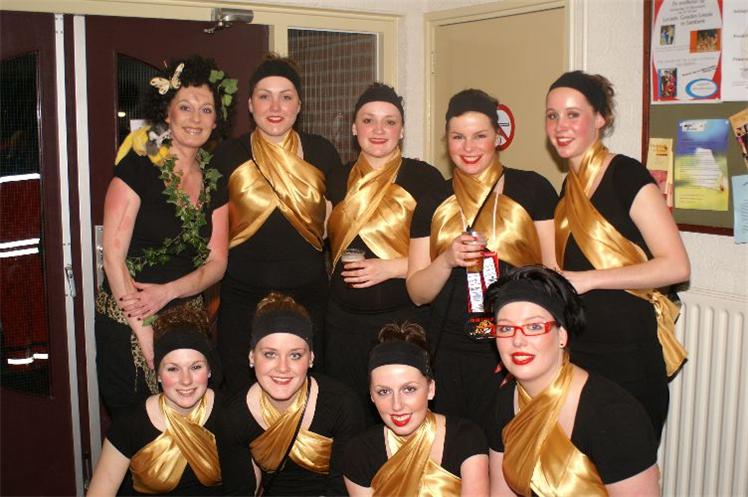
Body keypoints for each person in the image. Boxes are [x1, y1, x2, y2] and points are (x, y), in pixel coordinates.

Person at [546, 70, 690, 439]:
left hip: (629, 359)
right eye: (552, 115)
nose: (560, 126)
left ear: (600, 118)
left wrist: (590, 280)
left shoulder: (627, 175)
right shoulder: (568, 188)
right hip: (579, 355)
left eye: (573, 114)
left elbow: (676, 266)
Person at [406, 89, 558, 427]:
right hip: (448, 350)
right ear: (447, 140)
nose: (469, 148)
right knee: (454, 447)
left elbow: (553, 275)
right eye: (458, 137)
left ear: (498, 137)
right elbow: (417, 293)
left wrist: (528, 343)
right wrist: (446, 259)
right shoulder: (433, 200)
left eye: (480, 136)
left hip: (515, 345)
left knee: (509, 445)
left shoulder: (533, 189)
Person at [96, 55, 234, 417]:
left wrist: (169, 291)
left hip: (187, 319)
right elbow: (112, 258)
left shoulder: (216, 180)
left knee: (194, 424)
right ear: (167, 113)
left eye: (206, 110)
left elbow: (218, 262)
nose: (195, 118)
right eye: (185, 107)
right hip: (129, 321)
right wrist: (147, 337)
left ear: (216, 120)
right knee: (138, 427)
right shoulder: (138, 166)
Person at [213, 53, 342, 394]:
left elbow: (337, 228)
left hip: (309, 298)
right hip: (242, 301)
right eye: (264, 96)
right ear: (250, 105)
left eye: (285, 97)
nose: (275, 107)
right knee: (242, 397)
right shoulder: (228, 154)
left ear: (299, 105)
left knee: (308, 394)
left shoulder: (322, 152)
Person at [325, 83, 446, 422]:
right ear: (354, 128)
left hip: (404, 322)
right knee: (347, 418)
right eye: (368, 120)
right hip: (343, 325)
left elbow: (444, 255)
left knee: (403, 415)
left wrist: (390, 267)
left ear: (402, 130)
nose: (379, 130)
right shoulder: (336, 179)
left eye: (390, 122)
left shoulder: (426, 179)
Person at [485, 265, 660, 497]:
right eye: (506, 328)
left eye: (534, 327)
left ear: (562, 336)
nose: (517, 341)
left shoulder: (614, 416)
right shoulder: (506, 401)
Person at [219, 292, 364, 496]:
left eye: (295, 355)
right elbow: (240, 491)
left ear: (311, 358)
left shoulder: (342, 405)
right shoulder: (233, 416)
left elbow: (342, 490)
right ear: (251, 357)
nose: (283, 368)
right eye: (270, 354)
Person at [87, 309, 229, 496]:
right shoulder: (130, 424)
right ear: (158, 375)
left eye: (195, 367)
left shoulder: (230, 413)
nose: (186, 380)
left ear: (209, 369)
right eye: (173, 369)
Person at [343, 322, 489, 497]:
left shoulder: (466, 439)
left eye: (409, 389)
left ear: (430, 389)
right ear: (372, 396)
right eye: (384, 392)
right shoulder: (359, 453)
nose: (397, 405)